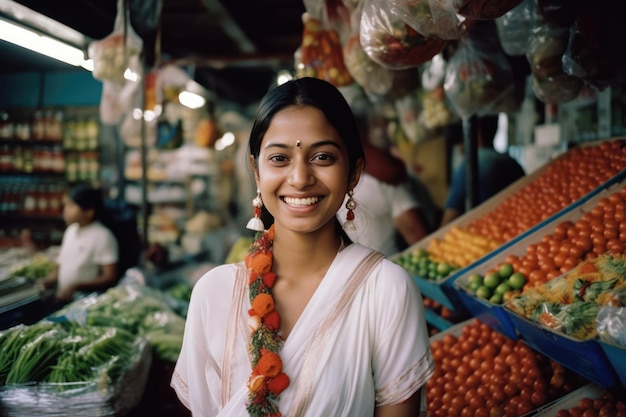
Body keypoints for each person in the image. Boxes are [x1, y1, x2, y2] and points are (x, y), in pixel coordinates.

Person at [171, 77, 434, 417]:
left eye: (322, 157)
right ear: (256, 172)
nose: (299, 178)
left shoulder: (385, 290)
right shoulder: (213, 294)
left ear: (353, 173)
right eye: (279, 158)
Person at [336, 107, 430, 256]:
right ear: (364, 134)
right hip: (389, 267)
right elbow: (416, 234)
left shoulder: (329, 184)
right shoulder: (384, 176)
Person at [439, 115, 525, 227]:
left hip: (487, 234)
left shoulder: (472, 164)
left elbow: (450, 218)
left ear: (475, 128)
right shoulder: (512, 162)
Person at [39, 185, 119, 303]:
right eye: (65, 205)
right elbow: (62, 262)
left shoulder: (102, 236)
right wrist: (50, 279)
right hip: (62, 298)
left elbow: (110, 277)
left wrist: (76, 286)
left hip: (84, 302)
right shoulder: (71, 231)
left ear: (89, 212)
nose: (65, 210)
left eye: (71, 206)